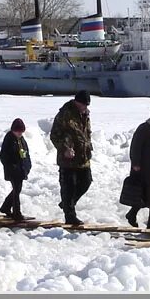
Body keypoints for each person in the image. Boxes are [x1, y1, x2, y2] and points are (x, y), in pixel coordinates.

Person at [50, 90, 94, 226]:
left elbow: (86, 133)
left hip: (83, 156)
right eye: (82, 104)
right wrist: (64, 149)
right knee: (69, 186)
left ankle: (67, 204)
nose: (84, 107)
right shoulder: (65, 114)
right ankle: (70, 215)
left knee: (86, 182)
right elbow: (54, 135)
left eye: (86, 105)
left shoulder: (85, 114)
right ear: (76, 102)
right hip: (68, 159)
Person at [0, 118, 31, 221]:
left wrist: (28, 166)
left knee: (17, 189)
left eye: (21, 132)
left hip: (21, 169)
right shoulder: (9, 139)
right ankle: (17, 213)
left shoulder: (21, 140)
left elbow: (26, 154)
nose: (19, 133)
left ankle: (5, 207)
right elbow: (4, 156)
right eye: (17, 131)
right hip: (13, 170)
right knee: (17, 190)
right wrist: (12, 166)